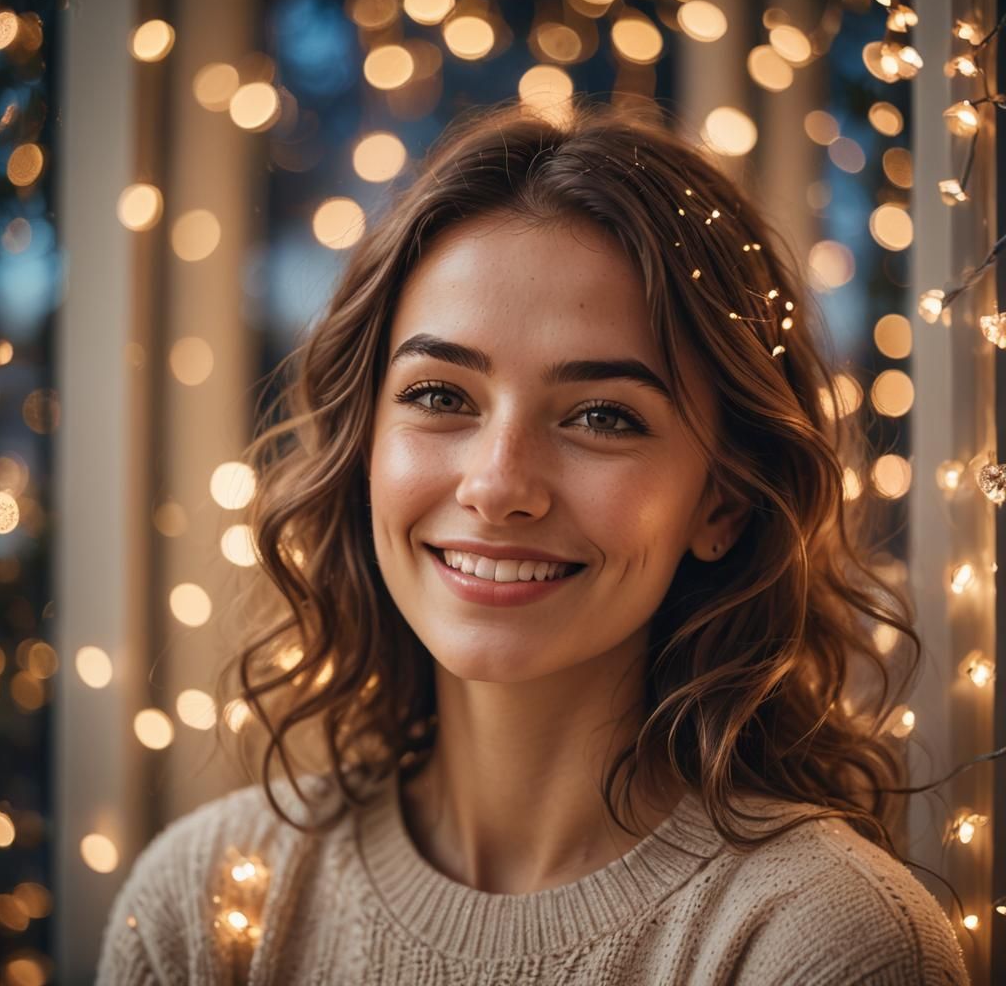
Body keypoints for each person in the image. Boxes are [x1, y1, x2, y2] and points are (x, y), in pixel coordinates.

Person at [95, 97, 971, 985]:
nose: (498, 485)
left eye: (603, 416)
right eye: (440, 396)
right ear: (364, 444)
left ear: (724, 504)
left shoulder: (829, 943)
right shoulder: (205, 901)